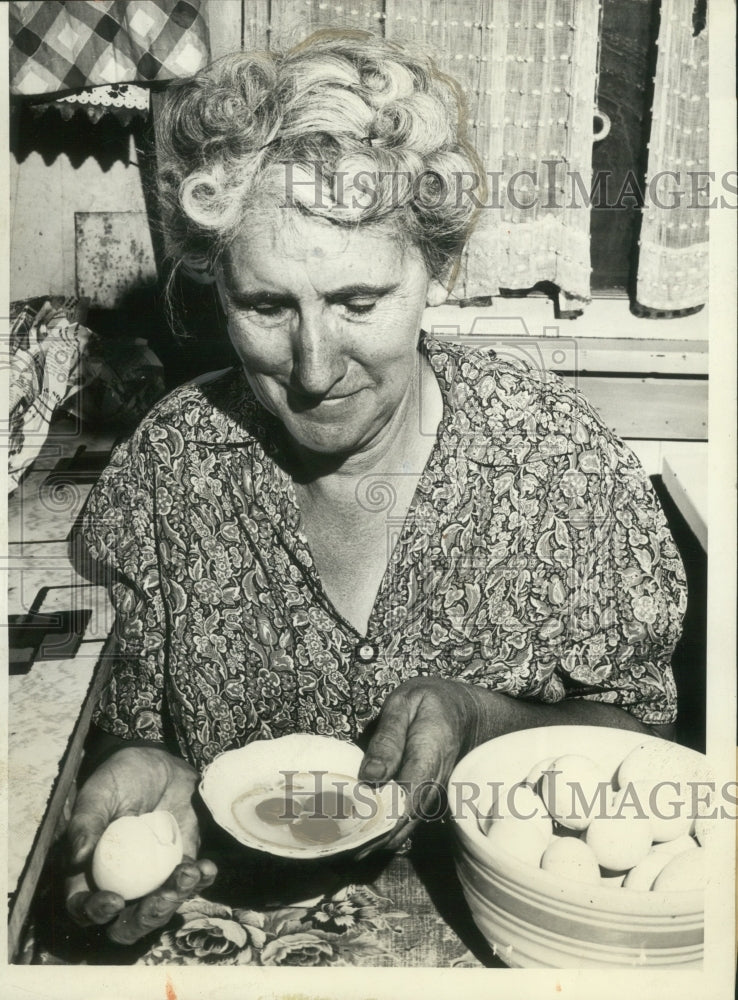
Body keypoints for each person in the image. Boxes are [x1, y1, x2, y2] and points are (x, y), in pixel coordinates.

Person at [65, 30, 686, 946]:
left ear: (434, 271)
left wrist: (483, 721)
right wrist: (145, 789)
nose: (315, 370)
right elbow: (118, 729)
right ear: (217, 289)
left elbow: (647, 757)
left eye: (359, 302)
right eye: (268, 306)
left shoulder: (556, 461)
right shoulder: (175, 466)